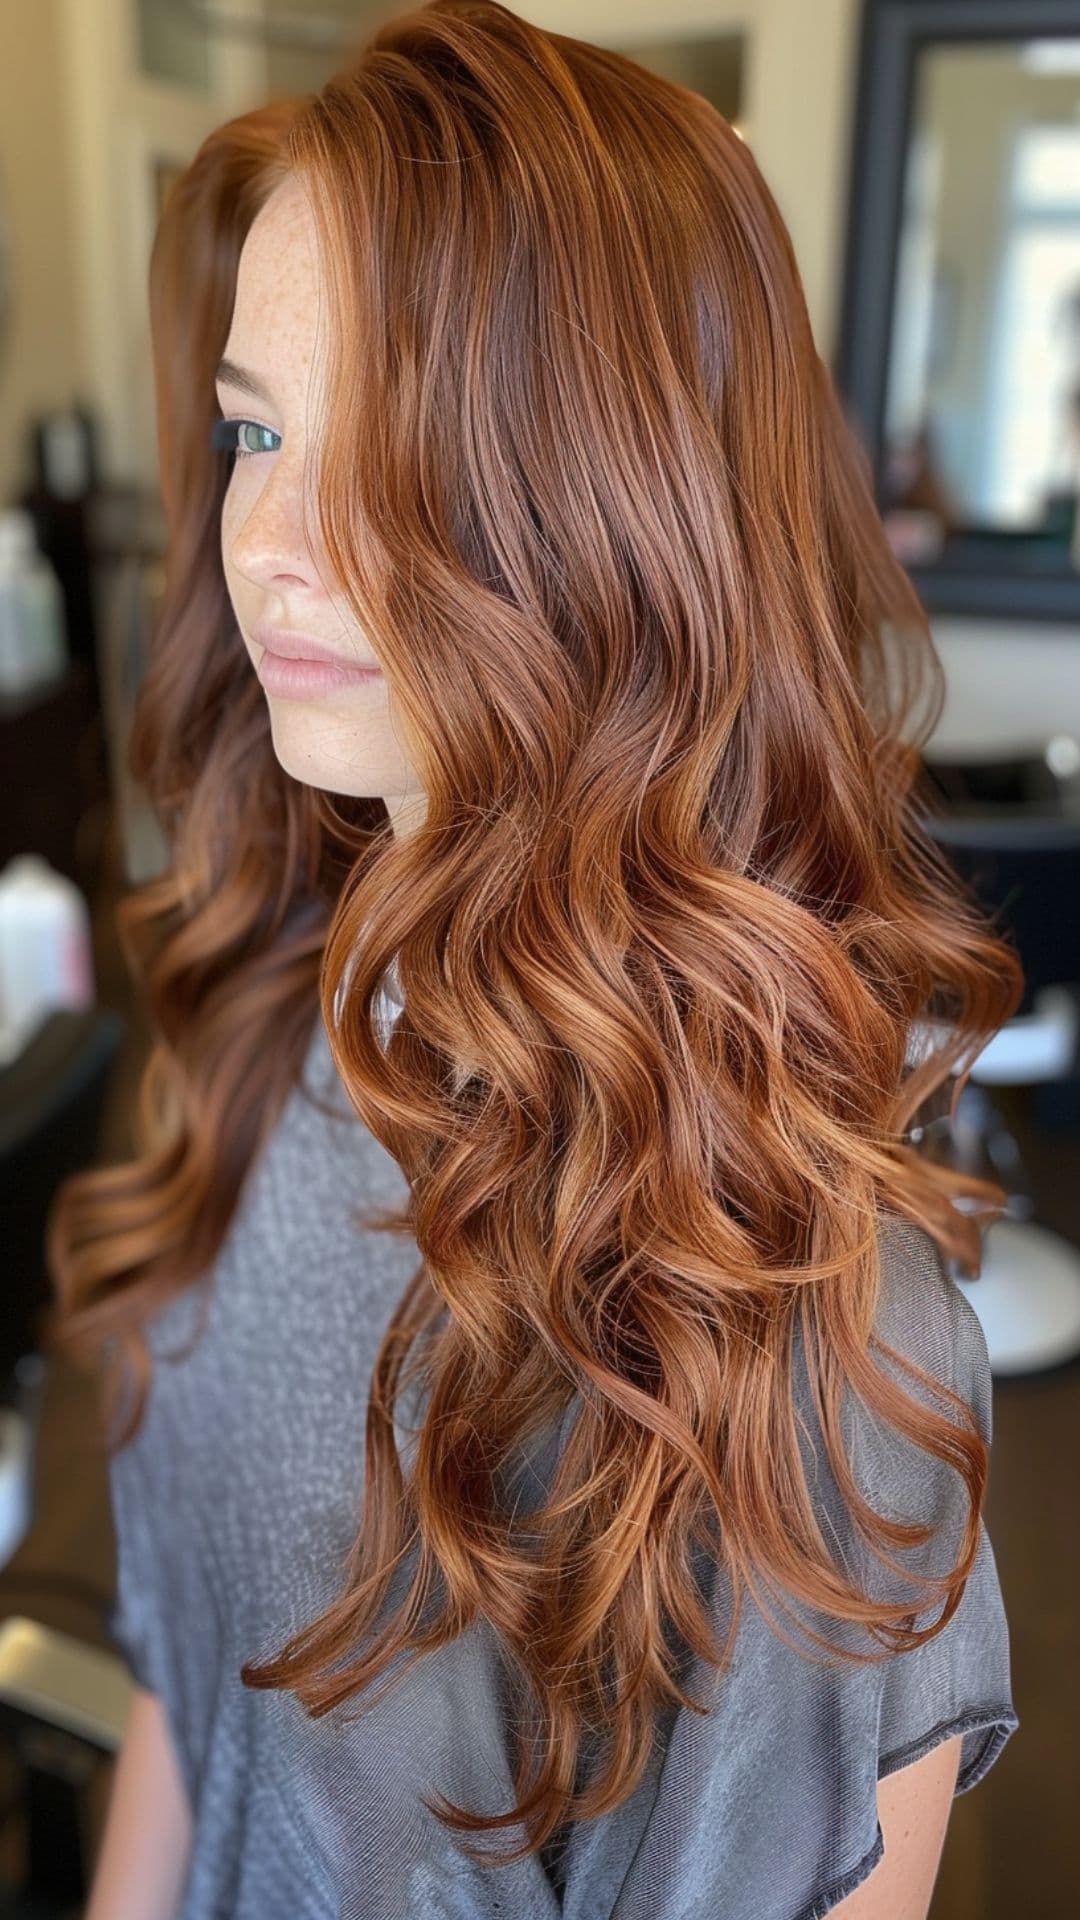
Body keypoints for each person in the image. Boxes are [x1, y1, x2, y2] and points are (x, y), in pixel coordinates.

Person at [46, 4, 1020, 1916]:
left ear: (614, 511)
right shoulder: (276, 1035)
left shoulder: (812, 1343)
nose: (270, 544)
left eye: (394, 451)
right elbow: (198, 1695)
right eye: (256, 429)